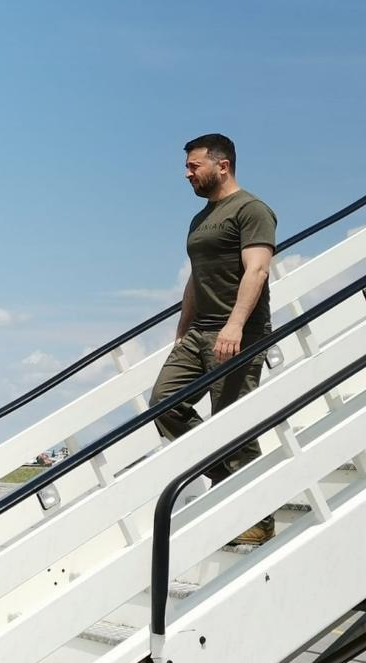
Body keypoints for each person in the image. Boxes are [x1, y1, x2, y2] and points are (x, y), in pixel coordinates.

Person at [149, 133, 276, 545]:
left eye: (193, 166)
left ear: (222, 165)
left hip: (237, 332)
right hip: (199, 331)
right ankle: (223, 474)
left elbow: (256, 271)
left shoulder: (252, 210)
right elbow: (196, 277)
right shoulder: (200, 219)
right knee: (163, 403)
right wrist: (183, 328)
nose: (187, 173)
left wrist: (235, 325)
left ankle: (261, 518)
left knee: (232, 422)